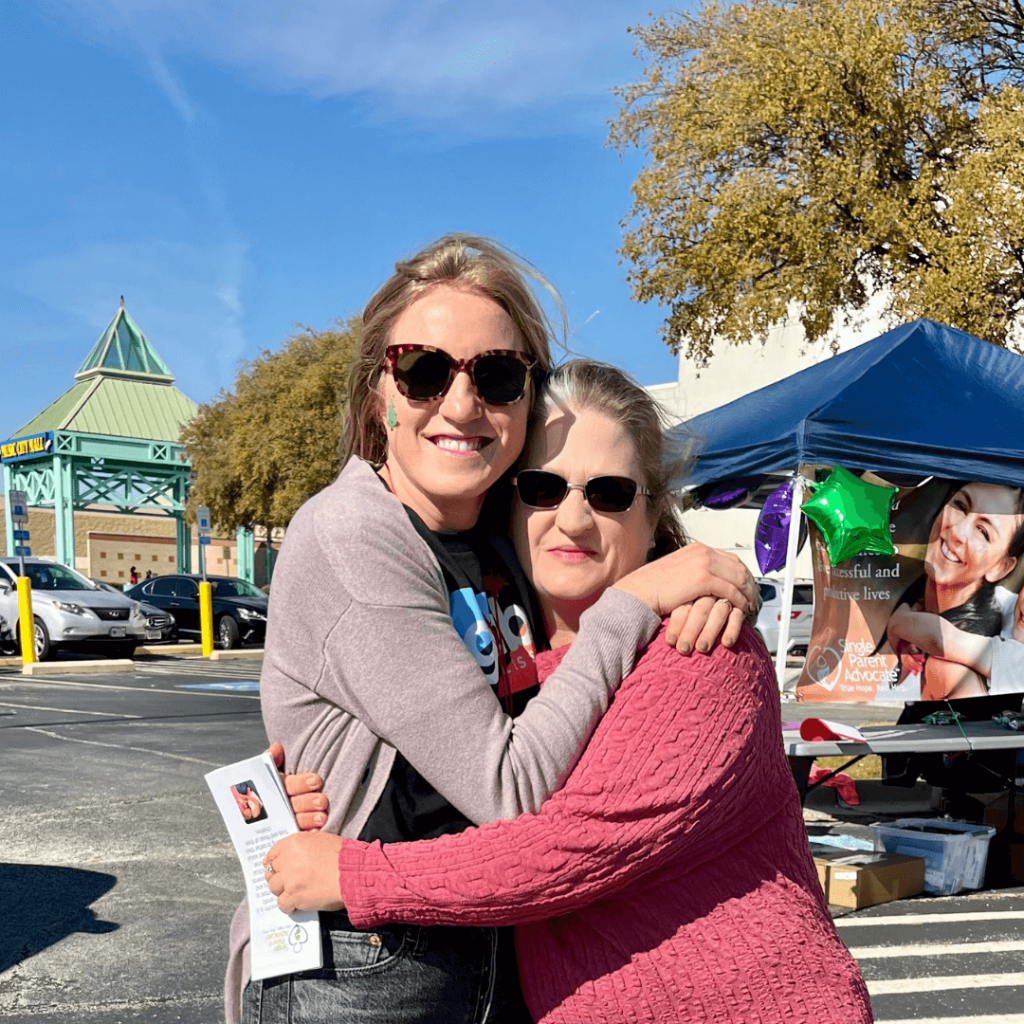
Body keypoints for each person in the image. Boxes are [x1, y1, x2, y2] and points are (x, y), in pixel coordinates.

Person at [228, 236, 757, 1024]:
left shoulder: (493, 535)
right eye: (423, 369)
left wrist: (716, 579)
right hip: (367, 962)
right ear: (380, 391)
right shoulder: (352, 535)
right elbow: (509, 789)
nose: (461, 402)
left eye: (498, 375)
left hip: (492, 943)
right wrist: (635, 602)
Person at [264, 361, 872, 1024]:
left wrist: (352, 875)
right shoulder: (502, 659)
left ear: (651, 514)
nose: (574, 519)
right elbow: (441, 765)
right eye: (543, 488)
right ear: (508, 506)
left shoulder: (699, 650)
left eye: (609, 493)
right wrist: (304, 795)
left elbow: (569, 849)